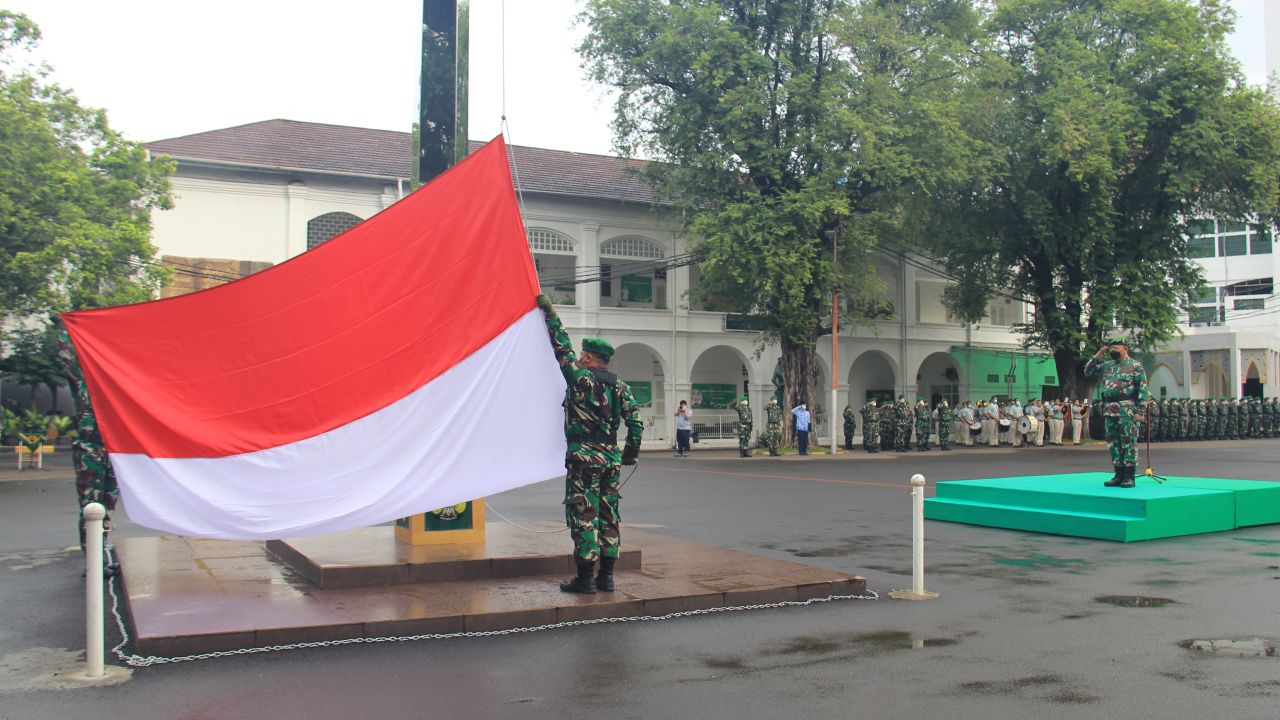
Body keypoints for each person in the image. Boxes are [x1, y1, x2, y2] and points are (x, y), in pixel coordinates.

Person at [536, 294, 643, 594]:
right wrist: (629, 454)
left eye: (583, 354)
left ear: (588, 358)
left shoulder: (580, 378)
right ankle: (606, 577)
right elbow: (636, 423)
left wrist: (550, 314)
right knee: (610, 514)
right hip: (610, 460)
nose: (580, 356)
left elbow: (561, 347)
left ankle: (585, 579)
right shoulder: (621, 386)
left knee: (584, 515)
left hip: (583, 459)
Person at [56, 326, 120, 578]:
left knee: (106, 507)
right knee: (91, 507)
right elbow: (65, 360)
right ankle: (92, 563)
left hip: (112, 450)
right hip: (89, 450)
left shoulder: (115, 387)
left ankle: (100, 556)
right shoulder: (80, 382)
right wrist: (63, 329)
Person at [1084, 336, 1147, 488]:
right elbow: (1088, 372)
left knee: (1128, 442)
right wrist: (1097, 355)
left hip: (1127, 409)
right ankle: (1118, 475)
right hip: (1110, 408)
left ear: (1125, 349)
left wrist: (1140, 411)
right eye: (1111, 349)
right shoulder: (1107, 366)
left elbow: (1142, 389)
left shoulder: (1135, 366)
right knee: (1113, 443)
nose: (1113, 351)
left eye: (1116, 348)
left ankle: (1129, 476)